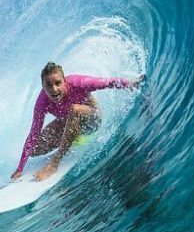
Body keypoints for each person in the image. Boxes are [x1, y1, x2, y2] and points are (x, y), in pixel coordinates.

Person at [11, 62, 144, 182]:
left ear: (65, 81)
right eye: (48, 85)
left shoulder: (78, 82)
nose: (54, 89)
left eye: (58, 83)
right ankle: (72, 138)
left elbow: (107, 82)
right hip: (68, 122)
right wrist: (20, 168)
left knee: (74, 109)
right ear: (43, 86)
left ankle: (54, 163)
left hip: (91, 120)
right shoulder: (42, 102)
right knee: (34, 149)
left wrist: (130, 84)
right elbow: (34, 133)